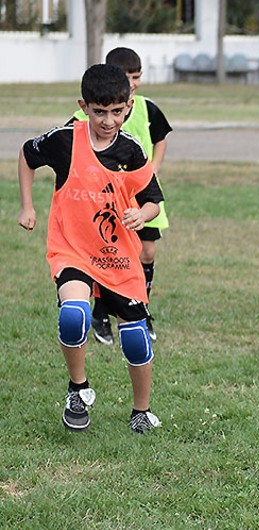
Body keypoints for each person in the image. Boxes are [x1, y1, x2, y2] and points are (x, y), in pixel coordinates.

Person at [17, 64, 163, 434]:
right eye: (100, 111)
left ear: (128, 105)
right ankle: (78, 390)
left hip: (118, 257)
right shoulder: (65, 140)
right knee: (74, 315)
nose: (109, 120)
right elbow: (26, 155)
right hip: (72, 250)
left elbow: (153, 201)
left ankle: (141, 411)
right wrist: (27, 205)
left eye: (117, 111)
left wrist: (139, 214)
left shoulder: (131, 151)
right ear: (84, 106)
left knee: (134, 337)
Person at [72, 47, 173, 345]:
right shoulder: (83, 116)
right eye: (127, 77)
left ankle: (141, 309)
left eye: (136, 76)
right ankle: (101, 312)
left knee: (147, 252)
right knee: (107, 256)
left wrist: (153, 168)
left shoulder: (145, 108)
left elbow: (161, 137)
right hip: (103, 200)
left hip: (141, 196)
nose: (132, 83)